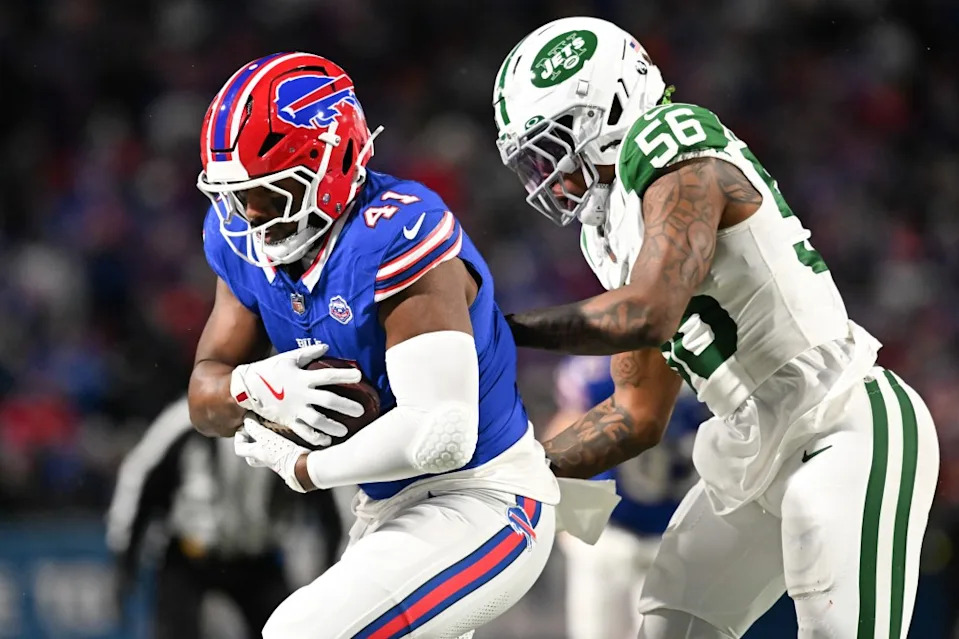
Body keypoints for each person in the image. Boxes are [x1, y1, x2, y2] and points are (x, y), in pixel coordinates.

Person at [493, 16, 940, 639]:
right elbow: (635, 415)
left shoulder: (670, 138)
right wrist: (507, 473)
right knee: (669, 623)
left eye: (556, 144)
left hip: (841, 419)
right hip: (747, 446)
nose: (554, 178)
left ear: (610, 104)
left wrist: (497, 328)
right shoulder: (609, 233)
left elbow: (650, 311)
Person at [188, 52, 563, 639]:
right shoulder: (239, 237)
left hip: (483, 500)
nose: (253, 216)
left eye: (273, 193)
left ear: (334, 165)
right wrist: (252, 390)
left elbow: (441, 433)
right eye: (240, 196)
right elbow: (203, 394)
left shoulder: (395, 230)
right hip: (388, 510)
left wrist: (306, 468)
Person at [106, 394, 344, 639]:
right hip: (190, 555)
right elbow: (140, 478)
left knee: (285, 631)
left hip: (259, 559)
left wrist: (330, 567)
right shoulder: (184, 419)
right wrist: (125, 557)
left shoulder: (288, 425)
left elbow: (325, 493)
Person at [547, 356, 703, 639]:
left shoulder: (713, 367)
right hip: (608, 532)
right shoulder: (600, 369)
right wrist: (560, 504)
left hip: (679, 538)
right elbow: (567, 430)